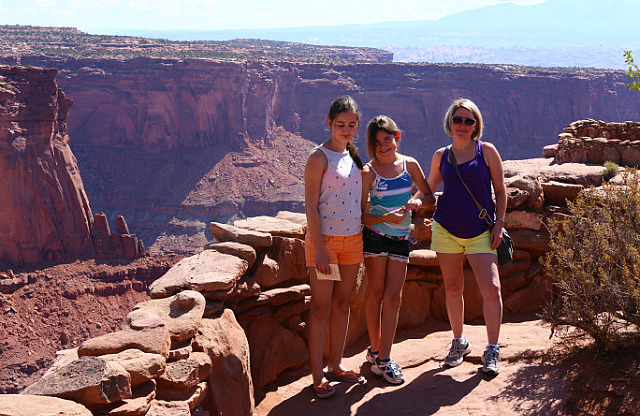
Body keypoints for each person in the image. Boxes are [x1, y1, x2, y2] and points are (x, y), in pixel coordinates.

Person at [426, 98, 507, 376]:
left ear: (476, 125)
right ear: (450, 122)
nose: (462, 125)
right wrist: (411, 199)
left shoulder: (487, 151)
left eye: (468, 120)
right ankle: (459, 342)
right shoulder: (441, 155)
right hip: (446, 228)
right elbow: (430, 188)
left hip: (480, 231)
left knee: (492, 288)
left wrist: (499, 224)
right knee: (452, 287)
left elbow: (501, 190)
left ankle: (493, 348)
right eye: (457, 119)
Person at [361, 115, 435, 384]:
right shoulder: (368, 172)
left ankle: (383, 357)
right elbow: (361, 216)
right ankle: (376, 351)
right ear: (372, 144)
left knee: (394, 298)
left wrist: (416, 202)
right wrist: (384, 217)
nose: (383, 146)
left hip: (401, 237)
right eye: (378, 142)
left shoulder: (410, 165)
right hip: (376, 237)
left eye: (387, 139)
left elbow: (428, 196)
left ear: (397, 137)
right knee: (377, 294)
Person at [304, 96, 366, 399]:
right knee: (320, 309)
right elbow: (311, 207)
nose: (346, 129)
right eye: (340, 124)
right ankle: (317, 376)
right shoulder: (319, 157)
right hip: (326, 242)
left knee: (343, 305)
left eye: (352, 124)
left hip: (353, 240)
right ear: (329, 123)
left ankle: (336, 365)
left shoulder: (353, 155)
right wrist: (319, 250)